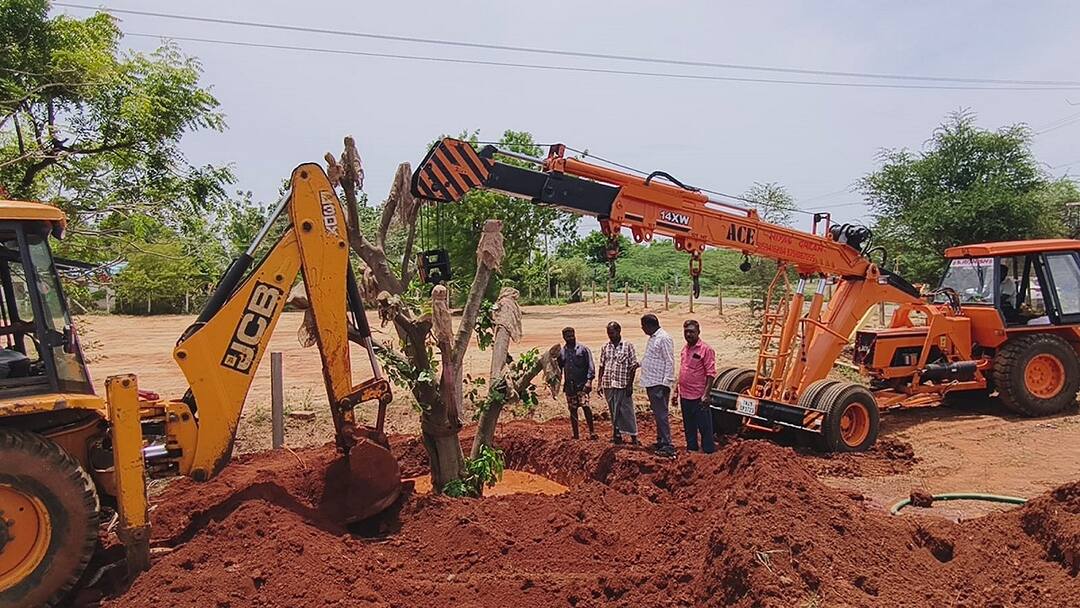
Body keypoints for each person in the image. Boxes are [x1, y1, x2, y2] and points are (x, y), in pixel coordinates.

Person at [672, 319, 717, 453]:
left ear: (698, 332)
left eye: (692, 332)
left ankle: (708, 453)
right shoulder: (685, 349)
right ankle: (692, 451)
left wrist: (706, 394)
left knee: (705, 428)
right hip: (685, 395)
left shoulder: (706, 349)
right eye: (686, 332)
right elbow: (683, 371)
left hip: (699, 396)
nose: (689, 334)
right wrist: (676, 391)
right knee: (689, 426)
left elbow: (711, 373)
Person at [597, 321, 639, 445]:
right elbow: (602, 366)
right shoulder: (605, 347)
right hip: (608, 383)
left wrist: (630, 385)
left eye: (613, 333)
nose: (611, 335)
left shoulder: (628, 346)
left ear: (619, 331)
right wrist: (599, 383)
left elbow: (633, 366)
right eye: (609, 333)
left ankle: (633, 436)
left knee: (627, 411)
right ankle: (617, 435)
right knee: (613, 411)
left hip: (622, 384)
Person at [639, 313, 676, 457]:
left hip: (659, 383)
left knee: (661, 415)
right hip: (651, 381)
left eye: (643, 326)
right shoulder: (653, 338)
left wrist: (666, 384)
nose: (642, 329)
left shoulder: (663, 338)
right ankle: (660, 440)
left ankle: (668, 445)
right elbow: (653, 358)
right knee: (658, 414)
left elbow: (669, 361)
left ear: (649, 325)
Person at [556, 327, 597, 440]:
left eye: (571, 335)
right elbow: (559, 368)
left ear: (575, 334)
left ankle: (592, 432)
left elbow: (591, 366)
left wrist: (589, 381)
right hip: (570, 386)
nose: (570, 338)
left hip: (582, 385)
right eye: (567, 336)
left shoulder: (583, 349)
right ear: (563, 337)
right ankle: (576, 435)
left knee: (586, 407)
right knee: (573, 410)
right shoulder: (562, 352)